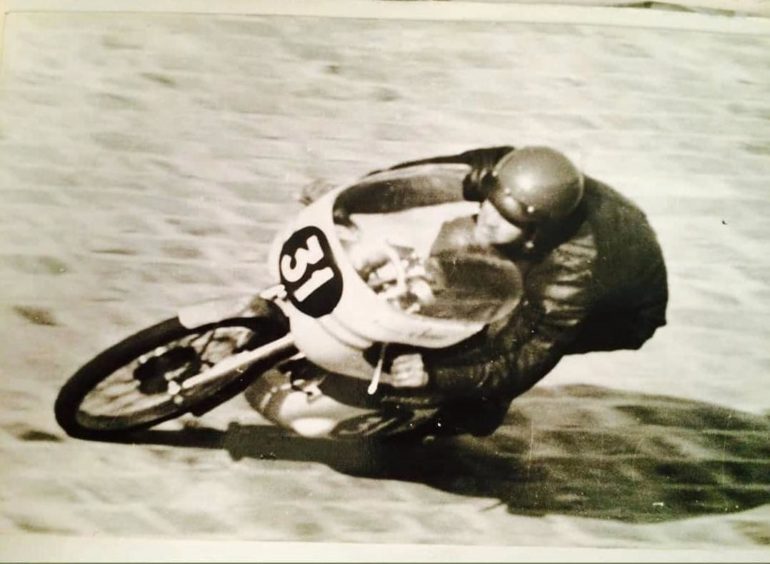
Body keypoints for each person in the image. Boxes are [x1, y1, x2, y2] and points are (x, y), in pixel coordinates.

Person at [301, 145, 669, 437]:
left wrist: (438, 376)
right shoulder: (508, 171)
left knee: (497, 335)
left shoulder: (571, 274)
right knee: (454, 254)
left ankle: (467, 415)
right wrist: (347, 198)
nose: (490, 218)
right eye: (490, 202)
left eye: (508, 218)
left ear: (537, 229)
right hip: (561, 247)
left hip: (619, 311)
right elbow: (418, 183)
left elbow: (524, 356)